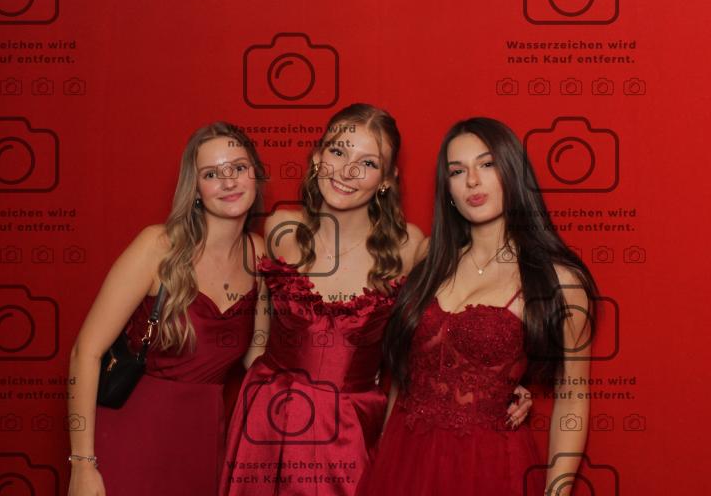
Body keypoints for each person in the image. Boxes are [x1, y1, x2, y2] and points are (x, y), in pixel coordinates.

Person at [221, 105, 533, 496]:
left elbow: (451, 320)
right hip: (265, 427)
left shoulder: (411, 248)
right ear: (317, 157)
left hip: (348, 433)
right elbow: (256, 336)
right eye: (338, 152)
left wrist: (503, 384)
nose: (347, 171)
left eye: (367, 163)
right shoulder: (279, 228)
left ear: (386, 179)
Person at [358, 117, 599, 496]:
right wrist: (383, 455)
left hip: (488, 466)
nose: (472, 180)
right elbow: (403, 375)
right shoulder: (429, 257)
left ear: (513, 173)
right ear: (448, 189)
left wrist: (557, 492)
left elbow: (573, 398)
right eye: (457, 171)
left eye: (487, 164)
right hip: (403, 461)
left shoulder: (558, 280)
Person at [67, 122, 271, 496]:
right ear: (196, 189)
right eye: (212, 174)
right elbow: (86, 352)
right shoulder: (157, 247)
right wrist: (82, 464)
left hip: (203, 444)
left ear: (255, 174)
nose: (228, 181)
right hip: (131, 436)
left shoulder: (258, 254)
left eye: (238, 168)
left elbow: (258, 358)